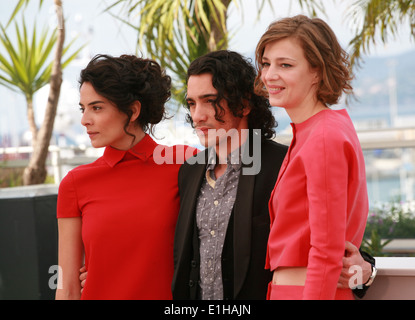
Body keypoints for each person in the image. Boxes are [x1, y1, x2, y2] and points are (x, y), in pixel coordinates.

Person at [172, 50, 373, 300]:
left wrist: (365, 273)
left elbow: (334, 245)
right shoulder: (189, 171)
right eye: (192, 103)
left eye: (210, 100)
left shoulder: (284, 163)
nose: (197, 115)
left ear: (244, 104)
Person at [55, 54, 194, 299]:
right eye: (83, 108)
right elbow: (67, 284)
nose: (85, 120)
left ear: (132, 111)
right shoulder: (76, 183)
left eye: (96, 108)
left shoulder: (184, 163)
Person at [254, 15, 369, 300]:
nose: (269, 75)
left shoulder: (324, 136)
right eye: (266, 63)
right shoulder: (315, 131)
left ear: (317, 71)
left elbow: (327, 249)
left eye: (286, 65)